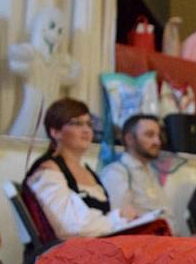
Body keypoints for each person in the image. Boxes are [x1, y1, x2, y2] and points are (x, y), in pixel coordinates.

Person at [24, 98, 139, 240]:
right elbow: (68, 229)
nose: (86, 130)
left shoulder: (88, 171)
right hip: (64, 256)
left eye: (89, 124)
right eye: (76, 123)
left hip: (94, 250)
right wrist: (116, 219)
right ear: (55, 132)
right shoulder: (48, 170)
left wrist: (121, 217)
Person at [99, 114, 175, 229]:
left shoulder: (151, 173)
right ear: (129, 139)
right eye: (150, 135)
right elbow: (119, 223)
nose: (157, 142)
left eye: (158, 136)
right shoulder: (115, 173)